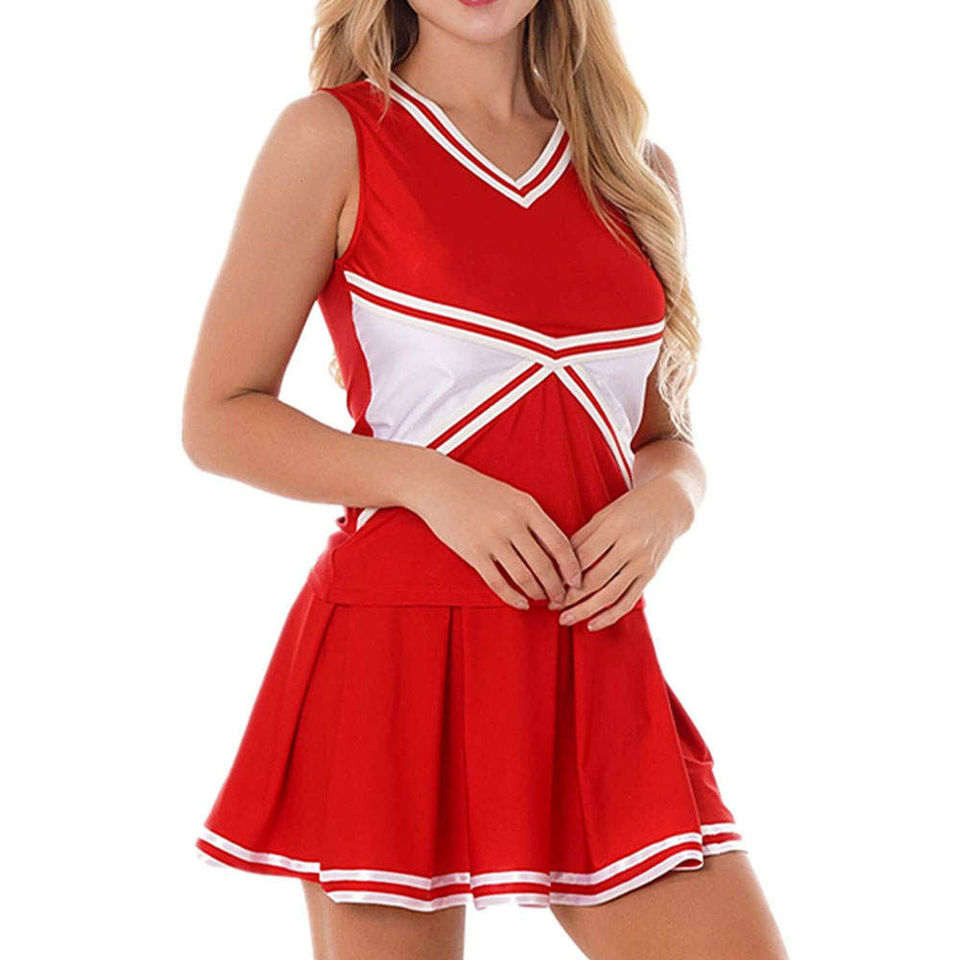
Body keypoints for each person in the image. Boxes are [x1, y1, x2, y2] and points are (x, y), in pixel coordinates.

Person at [182, 1, 789, 957]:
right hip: (395, 652)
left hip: (590, 654)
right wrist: (430, 483)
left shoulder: (631, 170)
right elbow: (219, 417)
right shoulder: (332, 137)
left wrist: (671, 500)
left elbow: (658, 435)